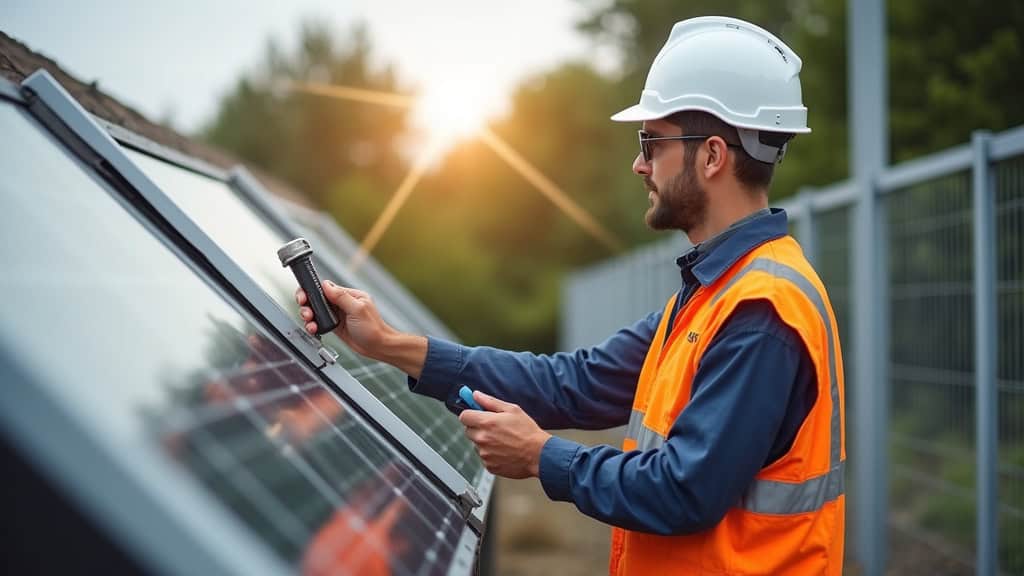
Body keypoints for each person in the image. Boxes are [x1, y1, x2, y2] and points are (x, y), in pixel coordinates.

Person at [297, 15, 845, 575]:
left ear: (711, 156)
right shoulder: (717, 292)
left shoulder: (760, 313)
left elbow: (683, 490)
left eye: (651, 141)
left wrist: (540, 455)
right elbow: (573, 383)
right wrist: (388, 344)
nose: (639, 164)